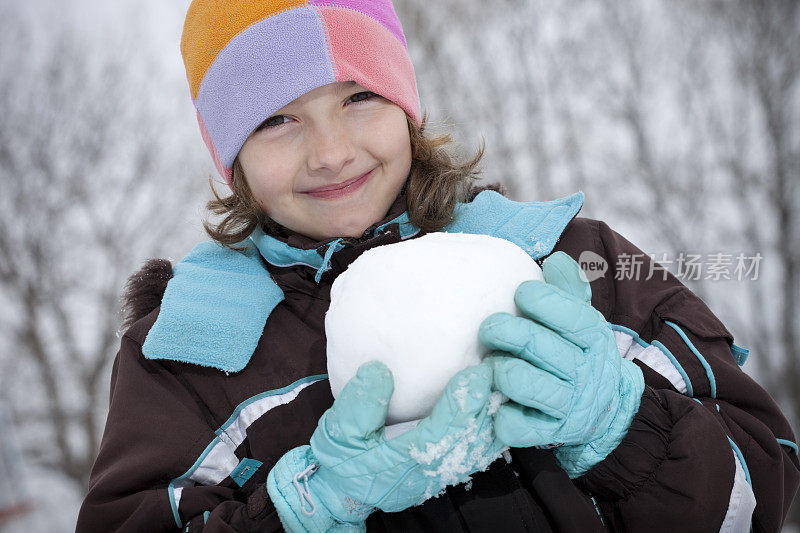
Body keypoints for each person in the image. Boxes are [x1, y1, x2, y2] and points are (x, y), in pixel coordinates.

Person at [77, 1, 799, 531]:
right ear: (230, 157)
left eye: (359, 97)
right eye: (276, 119)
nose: (331, 151)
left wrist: (619, 423)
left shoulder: (564, 258)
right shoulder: (185, 352)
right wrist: (306, 509)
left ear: (406, 106)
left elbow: (766, 485)